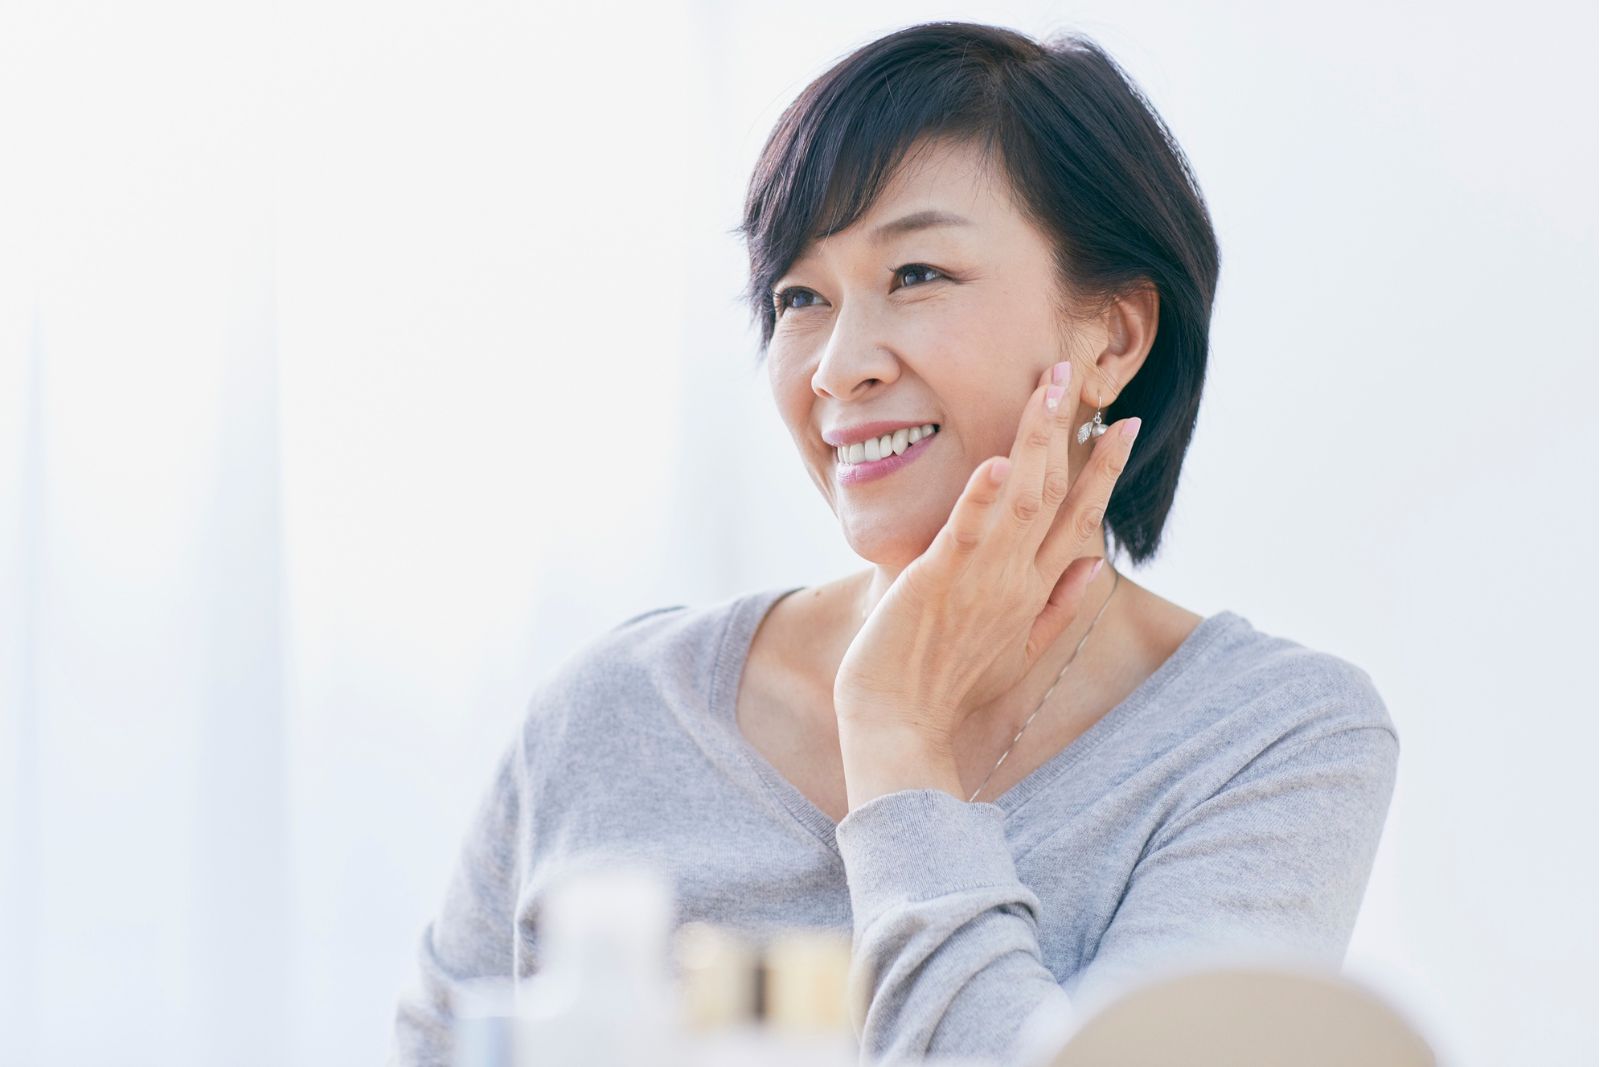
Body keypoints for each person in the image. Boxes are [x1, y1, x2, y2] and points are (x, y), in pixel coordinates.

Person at [390, 21, 1400, 1067]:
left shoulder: (1269, 737)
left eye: (916, 273)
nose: (837, 365)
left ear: (1113, 336)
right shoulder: (613, 711)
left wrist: (897, 741)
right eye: (798, 297)